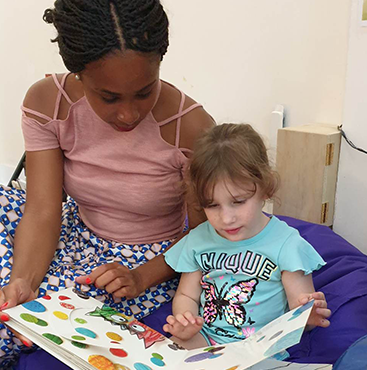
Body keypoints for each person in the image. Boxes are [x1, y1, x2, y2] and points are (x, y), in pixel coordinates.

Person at [0, 0, 214, 366]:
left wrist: (140, 277)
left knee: (41, 328)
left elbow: (202, 236)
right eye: (109, 97)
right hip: (71, 232)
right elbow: (42, 209)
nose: (128, 114)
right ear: (79, 74)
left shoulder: (190, 129)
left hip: (147, 258)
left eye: (145, 92)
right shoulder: (48, 103)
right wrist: (24, 281)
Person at [163, 123, 331, 350]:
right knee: (167, 356)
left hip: (260, 347)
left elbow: (299, 311)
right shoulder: (198, 240)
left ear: (265, 187)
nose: (226, 218)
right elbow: (187, 295)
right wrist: (185, 321)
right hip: (205, 337)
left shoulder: (287, 245)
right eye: (212, 205)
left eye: (238, 201)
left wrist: (308, 318)